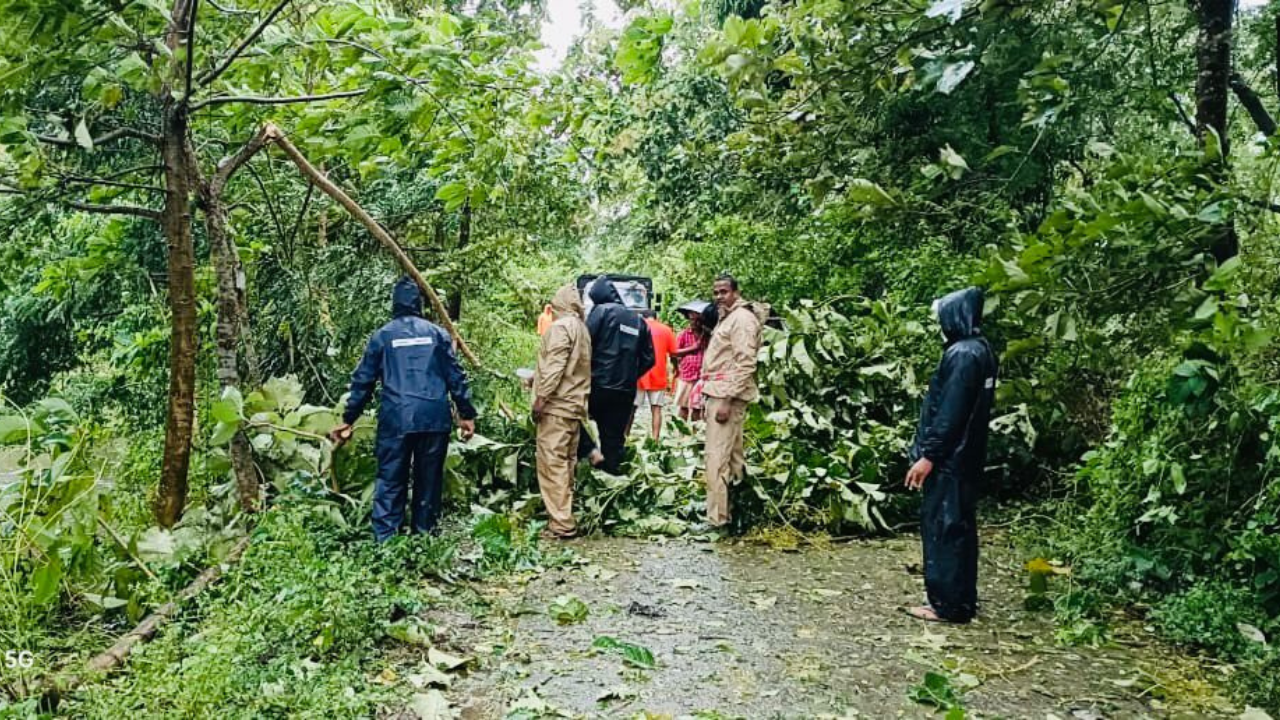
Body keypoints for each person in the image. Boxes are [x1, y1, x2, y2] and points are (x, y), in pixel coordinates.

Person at [330, 276, 477, 542]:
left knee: (390, 478)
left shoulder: (383, 336)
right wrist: (466, 414)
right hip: (434, 418)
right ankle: (424, 539)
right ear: (420, 304)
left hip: (396, 418)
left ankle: (386, 542)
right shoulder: (437, 334)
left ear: (394, 304)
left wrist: (349, 418)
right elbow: (456, 377)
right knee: (429, 480)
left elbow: (363, 381)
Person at [904, 287, 998, 624]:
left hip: (950, 460)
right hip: (967, 457)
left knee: (943, 528)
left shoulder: (961, 355)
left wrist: (928, 455)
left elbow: (950, 412)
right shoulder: (981, 350)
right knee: (959, 527)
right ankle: (961, 600)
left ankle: (946, 604)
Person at [700, 273, 767, 529]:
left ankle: (718, 519)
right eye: (715, 292)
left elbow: (745, 363)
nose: (718, 297)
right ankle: (739, 514)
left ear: (735, 292)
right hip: (719, 391)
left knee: (716, 458)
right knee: (734, 458)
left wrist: (727, 399)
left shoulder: (741, 319)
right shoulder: (728, 317)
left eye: (723, 292)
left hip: (726, 396)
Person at [532, 284, 592, 540]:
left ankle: (561, 523)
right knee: (567, 463)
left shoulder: (559, 327)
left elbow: (555, 367)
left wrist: (540, 398)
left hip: (556, 407)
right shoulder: (581, 328)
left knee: (552, 464)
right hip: (574, 406)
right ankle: (566, 513)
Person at [577, 279, 655, 475]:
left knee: (570, 418)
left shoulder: (601, 311)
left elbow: (584, 343)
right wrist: (630, 375)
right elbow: (649, 359)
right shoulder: (639, 321)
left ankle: (590, 450)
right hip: (624, 391)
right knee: (614, 439)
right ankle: (611, 481)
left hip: (598, 385)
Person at [633, 309, 678, 440]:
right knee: (656, 409)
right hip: (658, 374)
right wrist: (676, 368)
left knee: (632, 409)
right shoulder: (666, 330)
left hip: (639, 374)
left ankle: (625, 437)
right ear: (656, 317)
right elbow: (674, 353)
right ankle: (656, 439)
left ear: (644, 317)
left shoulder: (637, 327)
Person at [672, 302, 710, 421]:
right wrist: (693, 348)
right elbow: (674, 352)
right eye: (691, 319)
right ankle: (681, 433)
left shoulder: (707, 335)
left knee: (697, 407)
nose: (693, 322)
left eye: (697, 320)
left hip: (702, 376)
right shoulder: (683, 334)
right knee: (684, 406)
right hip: (687, 375)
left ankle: (695, 433)